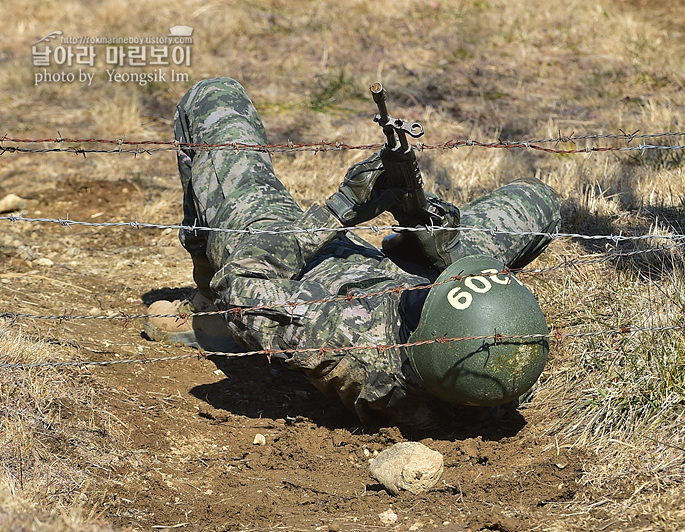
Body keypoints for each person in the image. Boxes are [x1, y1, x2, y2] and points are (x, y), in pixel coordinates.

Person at [143, 77, 561, 425]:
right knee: (538, 201)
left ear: (417, 337)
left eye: (422, 302)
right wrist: (438, 249)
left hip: (291, 258)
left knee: (214, 98)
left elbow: (242, 283)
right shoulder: (490, 369)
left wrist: (339, 210)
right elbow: (473, 328)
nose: (420, 293)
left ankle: (205, 312)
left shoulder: (341, 332)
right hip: (405, 278)